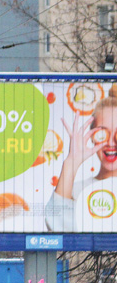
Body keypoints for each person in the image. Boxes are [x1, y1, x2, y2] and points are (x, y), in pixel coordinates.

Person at [47, 87, 117, 231]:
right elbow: (55, 225)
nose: (110, 143)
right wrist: (71, 162)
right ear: (91, 135)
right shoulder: (77, 191)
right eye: (102, 133)